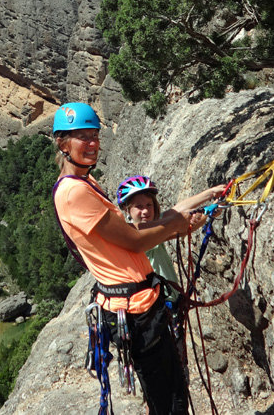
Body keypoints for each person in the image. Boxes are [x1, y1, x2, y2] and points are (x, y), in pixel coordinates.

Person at [52, 102, 223, 415]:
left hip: (141, 305)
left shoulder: (85, 182)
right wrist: (178, 226)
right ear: (63, 143)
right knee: (168, 402)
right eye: (82, 137)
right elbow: (133, 240)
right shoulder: (73, 192)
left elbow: (139, 230)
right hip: (135, 312)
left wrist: (186, 215)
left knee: (171, 392)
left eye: (94, 136)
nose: (92, 144)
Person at [116, 176, 226, 374]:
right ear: (127, 210)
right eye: (139, 207)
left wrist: (211, 196)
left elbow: (176, 212)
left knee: (174, 368)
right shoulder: (134, 234)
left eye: (149, 205)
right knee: (166, 372)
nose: (145, 211)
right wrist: (207, 211)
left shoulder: (152, 226)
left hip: (168, 308)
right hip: (154, 313)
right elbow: (177, 224)